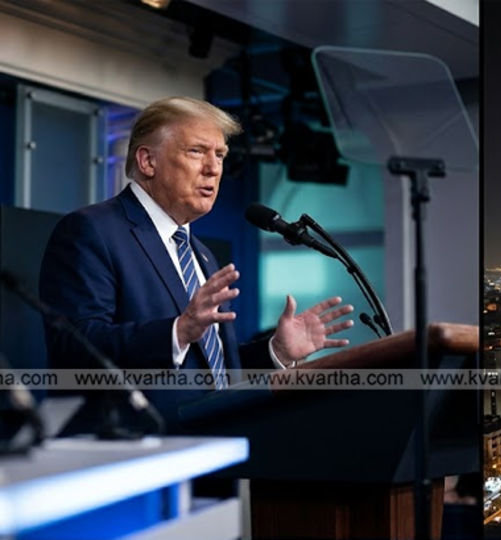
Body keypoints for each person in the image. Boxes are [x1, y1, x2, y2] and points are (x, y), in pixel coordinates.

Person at [39, 96, 353, 433]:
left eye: (220, 155)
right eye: (197, 151)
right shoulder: (92, 230)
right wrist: (177, 331)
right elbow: (75, 348)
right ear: (148, 161)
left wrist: (275, 352)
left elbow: (208, 369)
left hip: (209, 446)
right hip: (135, 446)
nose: (213, 168)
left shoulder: (200, 254)